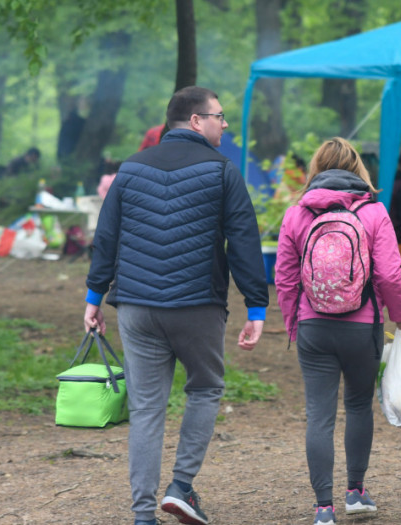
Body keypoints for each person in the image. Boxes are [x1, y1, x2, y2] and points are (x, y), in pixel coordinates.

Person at [82, 86, 269, 525]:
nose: (224, 124)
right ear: (194, 120)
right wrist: (256, 308)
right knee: (205, 388)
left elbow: (106, 238)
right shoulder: (223, 171)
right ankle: (181, 487)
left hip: (136, 306)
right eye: (219, 116)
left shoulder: (130, 170)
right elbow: (243, 242)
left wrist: (93, 297)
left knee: (147, 408)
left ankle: (143, 515)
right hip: (196, 305)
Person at [273, 137, 401, 525]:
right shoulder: (373, 212)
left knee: (318, 416)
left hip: (313, 326)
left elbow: (285, 280)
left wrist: (294, 323)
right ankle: (355, 492)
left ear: (316, 169)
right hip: (362, 326)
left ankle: (323, 508)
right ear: (357, 170)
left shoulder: (296, 213)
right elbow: (388, 274)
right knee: (357, 405)